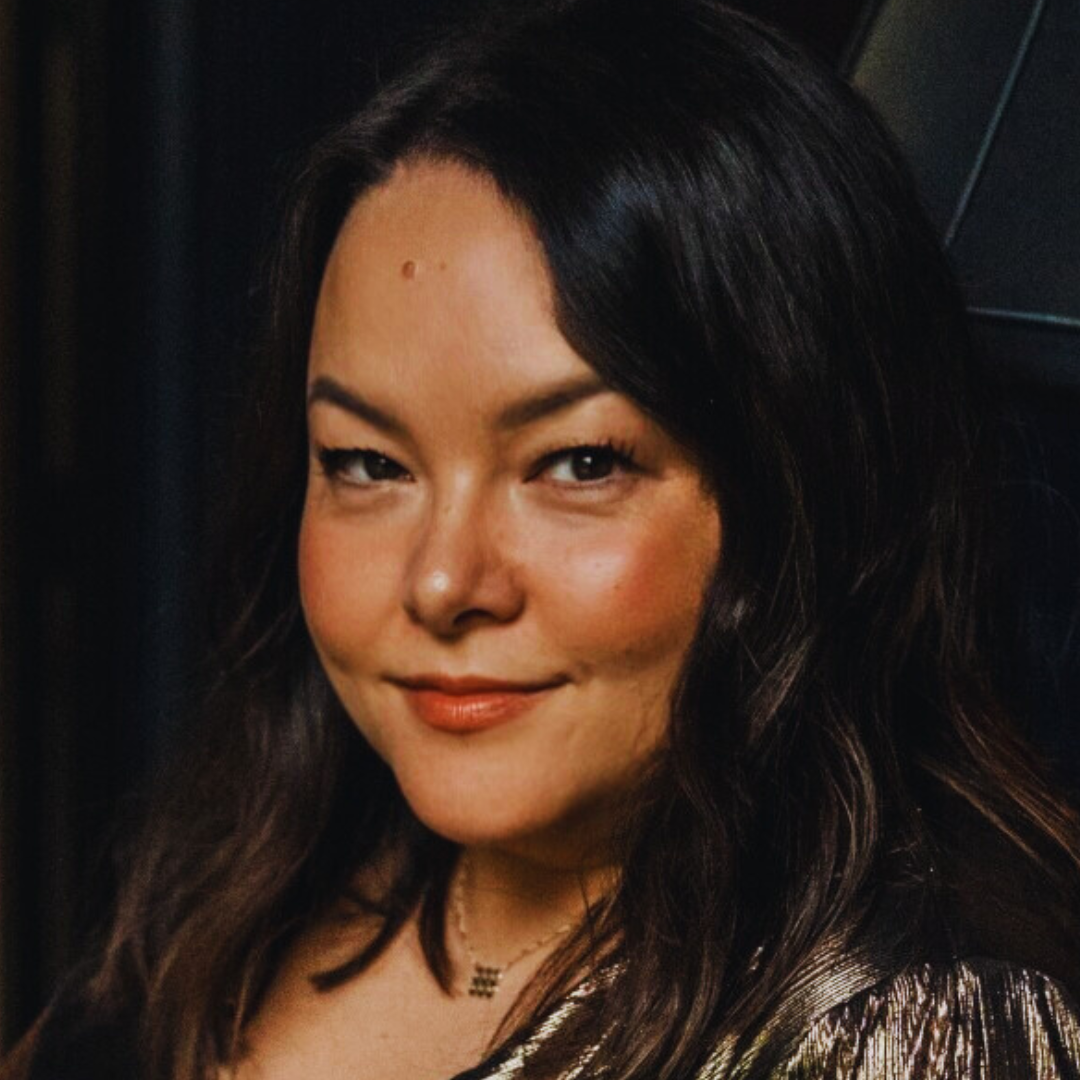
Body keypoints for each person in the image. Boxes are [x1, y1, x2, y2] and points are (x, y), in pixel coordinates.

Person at [5, 1, 1080, 1077]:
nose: (441, 582)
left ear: (800, 491)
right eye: (367, 464)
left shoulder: (907, 1032)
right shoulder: (232, 897)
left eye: (578, 464)